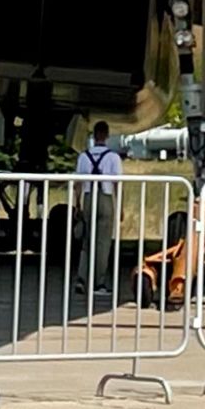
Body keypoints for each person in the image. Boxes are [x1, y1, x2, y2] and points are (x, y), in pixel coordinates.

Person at [74, 121, 123, 302]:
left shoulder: (83, 157)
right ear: (107, 136)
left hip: (88, 196)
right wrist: (120, 206)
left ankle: (82, 278)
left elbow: (77, 184)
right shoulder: (113, 158)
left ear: (94, 136)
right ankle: (98, 283)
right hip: (105, 196)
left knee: (87, 241)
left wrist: (77, 204)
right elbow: (117, 183)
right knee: (103, 243)